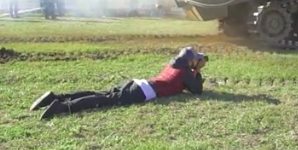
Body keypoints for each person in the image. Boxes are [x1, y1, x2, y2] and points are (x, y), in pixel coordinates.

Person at [30, 47, 208, 120]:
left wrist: (193, 68)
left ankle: (55, 97)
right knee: (104, 100)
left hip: (137, 83)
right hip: (143, 92)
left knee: (101, 94)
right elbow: (197, 91)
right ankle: (62, 107)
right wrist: (198, 71)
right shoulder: (186, 72)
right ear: (190, 61)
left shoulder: (174, 65)